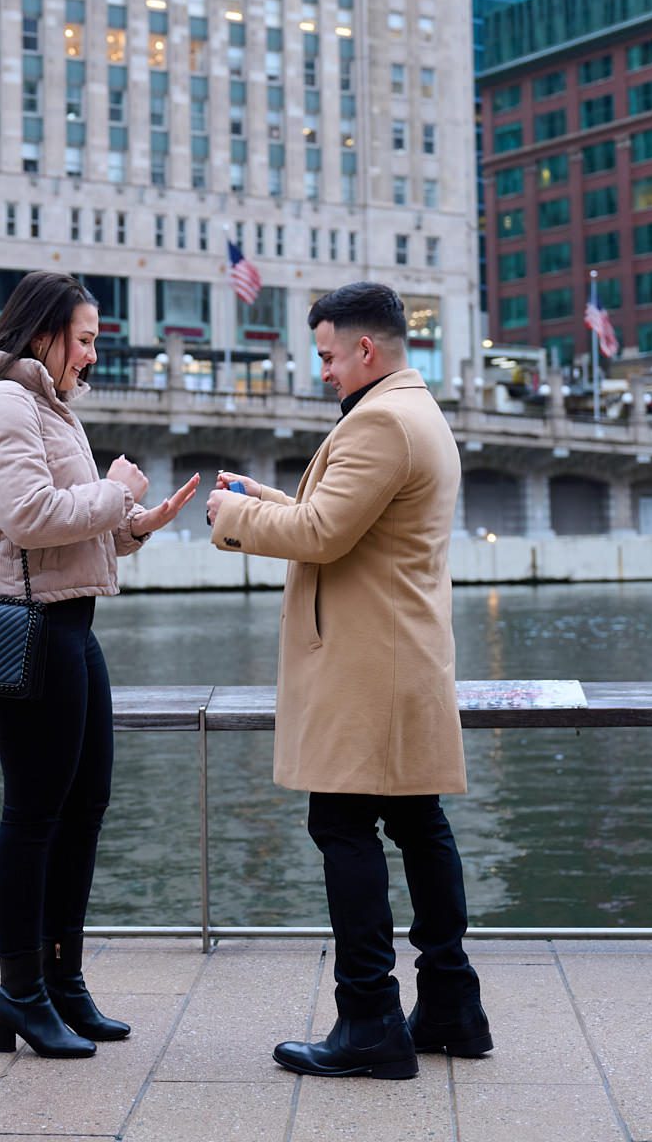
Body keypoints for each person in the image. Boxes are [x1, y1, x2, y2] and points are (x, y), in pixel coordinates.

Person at [206, 281, 491, 1080]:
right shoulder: (414, 412)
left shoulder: (380, 422)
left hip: (369, 669)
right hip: (399, 659)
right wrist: (262, 498)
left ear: (366, 349)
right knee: (417, 826)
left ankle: (368, 1017)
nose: (323, 370)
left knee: (340, 828)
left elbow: (324, 532)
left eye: (329, 355)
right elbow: (337, 516)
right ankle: (450, 1004)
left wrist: (230, 518)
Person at [0, 271, 198, 1059]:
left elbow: (69, 524)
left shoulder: (49, 405)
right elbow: (27, 519)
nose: (91, 356)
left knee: (85, 805)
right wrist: (109, 490)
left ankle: (63, 981)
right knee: (32, 814)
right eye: (84, 340)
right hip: (25, 629)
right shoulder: (4, 403)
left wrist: (134, 524)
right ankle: (19, 990)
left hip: (71, 624)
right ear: (44, 333)